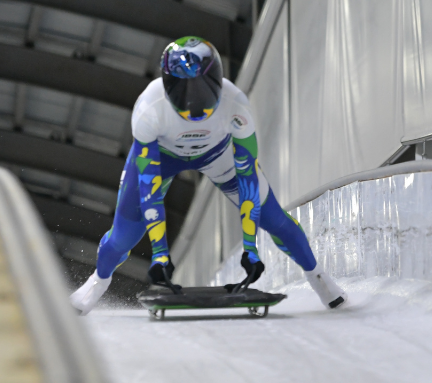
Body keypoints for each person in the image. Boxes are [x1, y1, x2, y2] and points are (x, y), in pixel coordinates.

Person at [69, 36, 347, 315]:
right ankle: (98, 281)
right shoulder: (148, 110)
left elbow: (247, 176)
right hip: (164, 157)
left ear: (217, 80)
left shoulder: (236, 105)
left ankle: (318, 277)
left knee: (274, 219)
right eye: (182, 91)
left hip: (218, 155)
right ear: (167, 87)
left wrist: (250, 249)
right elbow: (149, 191)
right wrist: (160, 253)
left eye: (202, 89)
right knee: (123, 237)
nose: (193, 104)